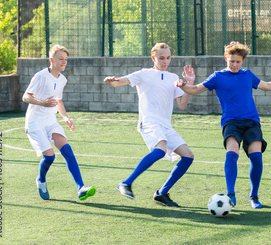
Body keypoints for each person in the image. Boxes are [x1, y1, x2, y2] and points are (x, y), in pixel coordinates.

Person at [175, 41, 271, 209]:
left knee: (256, 156)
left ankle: (254, 196)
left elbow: (266, 86)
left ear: (242, 61)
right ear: (226, 59)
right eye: (231, 61)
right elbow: (194, 89)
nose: (234, 64)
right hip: (231, 121)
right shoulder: (217, 76)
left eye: (238, 61)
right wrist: (183, 85)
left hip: (252, 121)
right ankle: (231, 194)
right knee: (232, 153)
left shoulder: (248, 75)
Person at [103, 43, 194, 207]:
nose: (165, 61)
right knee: (160, 150)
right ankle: (126, 183)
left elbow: (181, 105)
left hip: (166, 125)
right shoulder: (143, 74)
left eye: (168, 58)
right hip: (149, 122)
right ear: (153, 58)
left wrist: (188, 83)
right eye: (161, 58)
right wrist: (111, 81)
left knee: (188, 156)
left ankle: (162, 193)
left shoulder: (173, 78)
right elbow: (118, 82)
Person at [22, 45, 96, 201]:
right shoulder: (40, 76)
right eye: (60, 59)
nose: (64, 62)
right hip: (35, 122)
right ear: (51, 60)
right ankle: (41, 180)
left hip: (50, 121)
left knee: (67, 150)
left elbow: (58, 101)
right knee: (49, 157)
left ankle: (81, 188)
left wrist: (66, 118)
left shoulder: (62, 79)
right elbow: (26, 97)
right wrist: (41, 102)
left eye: (66, 59)